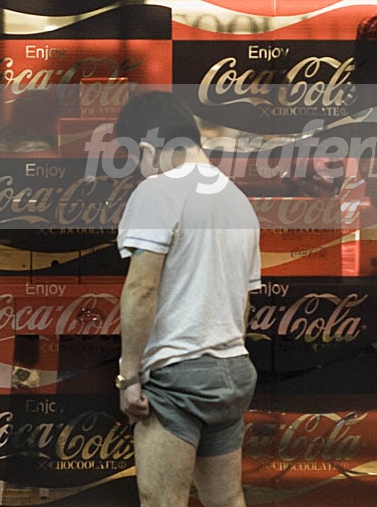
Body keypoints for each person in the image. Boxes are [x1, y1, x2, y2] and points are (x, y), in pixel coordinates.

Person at [114, 91, 261, 507]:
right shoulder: (237, 200)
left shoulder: (158, 191)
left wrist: (129, 377)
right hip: (233, 370)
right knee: (226, 499)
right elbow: (244, 302)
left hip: (177, 376)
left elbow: (141, 289)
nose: (138, 171)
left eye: (135, 159)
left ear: (147, 149)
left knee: (162, 501)